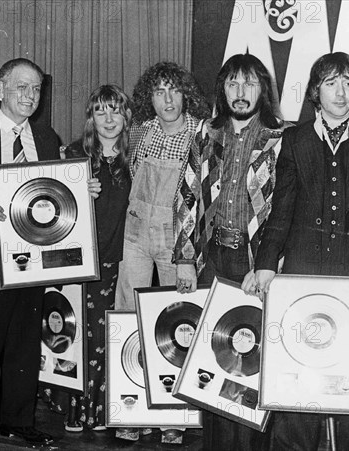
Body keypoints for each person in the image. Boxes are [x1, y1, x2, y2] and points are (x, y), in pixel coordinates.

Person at [249, 52, 349, 450]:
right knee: (296, 392)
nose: (340, 92)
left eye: (347, 82)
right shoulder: (295, 139)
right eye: (330, 83)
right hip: (304, 278)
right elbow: (282, 209)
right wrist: (267, 264)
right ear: (314, 92)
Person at [174, 53, 291, 451]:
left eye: (250, 84)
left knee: (252, 362)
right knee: (213, 356)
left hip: (256, 263)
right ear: (222, 90)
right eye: (232, 84)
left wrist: (269, 265)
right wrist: (186, 258)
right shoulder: (207, 133)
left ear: (264, 90)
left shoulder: (281, 139)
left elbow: (287, 210)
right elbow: (188, 196)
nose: (240, 93)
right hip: (212, 259)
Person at [0, 58, 62, 451]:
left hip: (33, 254)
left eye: (36, 89)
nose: (30, 96)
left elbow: (55, 193)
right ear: (1, 89)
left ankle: (19, 421)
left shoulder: (47, 137)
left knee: (24, 342)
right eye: (21, 87)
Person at [113, 61, 210, 443]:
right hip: (135, 236)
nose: (167, 100)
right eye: (158, 92)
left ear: (185, 94)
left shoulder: (200, 133)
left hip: (176, 241)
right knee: (127, 318)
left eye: (174, 90)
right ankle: (130, 412)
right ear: (148, 98)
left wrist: (188, 254)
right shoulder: (141, 130)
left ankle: (174, 416)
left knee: (176, 324)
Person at [40, 84, 133, 433]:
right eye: (100, 111)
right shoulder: (72, 154)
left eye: (115, 110)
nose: (108, 119)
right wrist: (78, 193)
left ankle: (99, 408)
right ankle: (74, 407)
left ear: (126, 116)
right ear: (90, 118)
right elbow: (51, 208)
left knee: (105, 334)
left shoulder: (136, 156)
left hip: (117, 259)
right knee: (75, 332)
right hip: (78, 260)